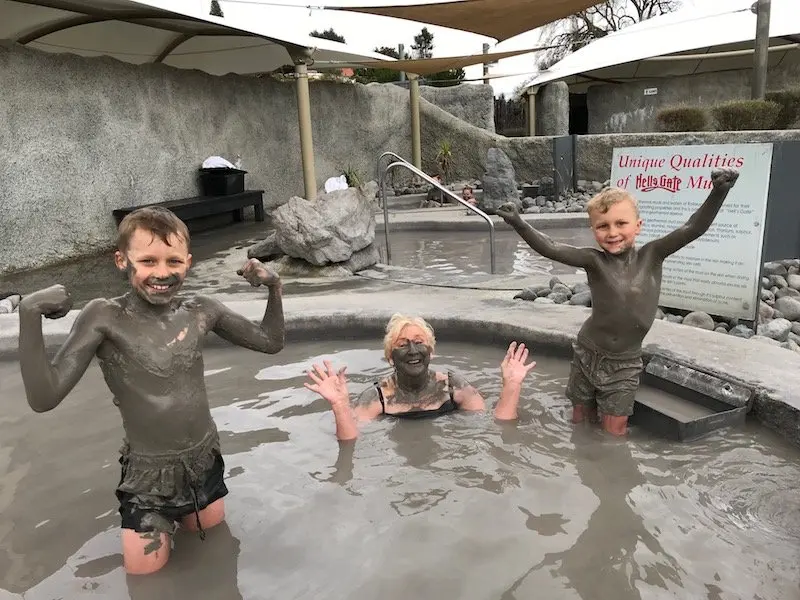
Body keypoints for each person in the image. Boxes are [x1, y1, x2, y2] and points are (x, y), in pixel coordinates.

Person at [17, 206, 285, 576]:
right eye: (147, 260)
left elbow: (271, 342)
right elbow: (44, 398)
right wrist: (29, 315)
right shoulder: (105, 318)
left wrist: (274, 286)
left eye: (173, 260)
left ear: (188, 262)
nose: (162, 272)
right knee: (145, 579)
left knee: (216, 561)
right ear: (121, 261)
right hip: (147, 481)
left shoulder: (200, 310)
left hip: (203, 463)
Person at [496, 168, 740, 437]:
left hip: (624, 362)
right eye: (603, 226)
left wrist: (719, 192)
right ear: (593, 230)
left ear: (638, 225)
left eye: (621, 224)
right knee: (580, 420)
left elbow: (692, 227)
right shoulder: (593, 261)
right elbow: (551, 247)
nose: (612, 232)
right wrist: (518, 223)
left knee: (615, 432)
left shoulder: (653, 255)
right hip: (587, 352)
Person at [304, 314, 537, 440]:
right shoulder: (377, 397)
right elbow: (350, 442)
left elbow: (497, 426)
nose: (413, 351)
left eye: (419, 343)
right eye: (403, 345)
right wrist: (340, 406)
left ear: (431, 352)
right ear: (390, 356)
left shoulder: (453, 386)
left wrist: (511, 387)